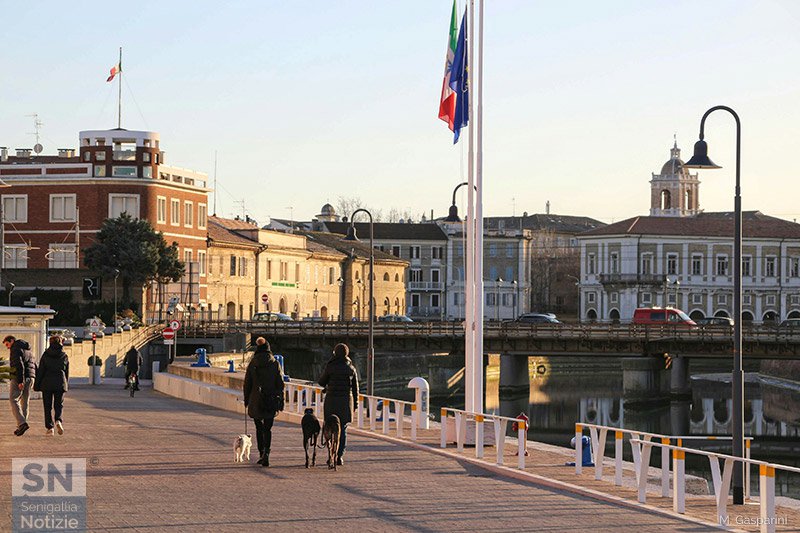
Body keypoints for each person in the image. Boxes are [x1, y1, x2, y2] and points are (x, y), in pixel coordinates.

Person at [243, 337, 284, 467]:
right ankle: (267, 452)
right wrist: (279, 396)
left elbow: (247, 384)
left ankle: (261, 453)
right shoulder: (274, 363)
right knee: (268, 428)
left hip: (256, 400)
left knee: (258, 427)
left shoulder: (253, 363)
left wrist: (246, 399)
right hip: (270, 400)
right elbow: (281, 384)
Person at [318, 343, 359, 466]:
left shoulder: (330, 366)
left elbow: (321, 382)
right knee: (343, 429)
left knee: (329, 427)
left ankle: (330, 454)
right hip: (346, 402)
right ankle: (339, 456)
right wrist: (355, 404)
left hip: (331, 401)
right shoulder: (351, 369)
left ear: (335, 353)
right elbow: (355, 389)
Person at [33, 335, 70, 436]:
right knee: (59, 405)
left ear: (50, 342)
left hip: (47, 383)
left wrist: (37, 385)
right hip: (60, 382)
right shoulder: (64, 355)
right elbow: (66, 371)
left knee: (47, 406)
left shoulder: (45, 355)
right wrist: (66, 384)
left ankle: (50, 428)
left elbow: (41, 371)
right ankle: (58, 420)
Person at [4, 335, 36, 436]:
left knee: (13, 399)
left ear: (12, 341)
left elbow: (19, 365)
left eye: (7, 344)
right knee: (25, 402)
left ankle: (22, 424)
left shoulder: (15, 349)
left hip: (19, 377)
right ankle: (21, 426)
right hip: (30, 378)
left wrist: (20, 381)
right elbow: (34, 365)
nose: (8, 347)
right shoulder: (29, 350)